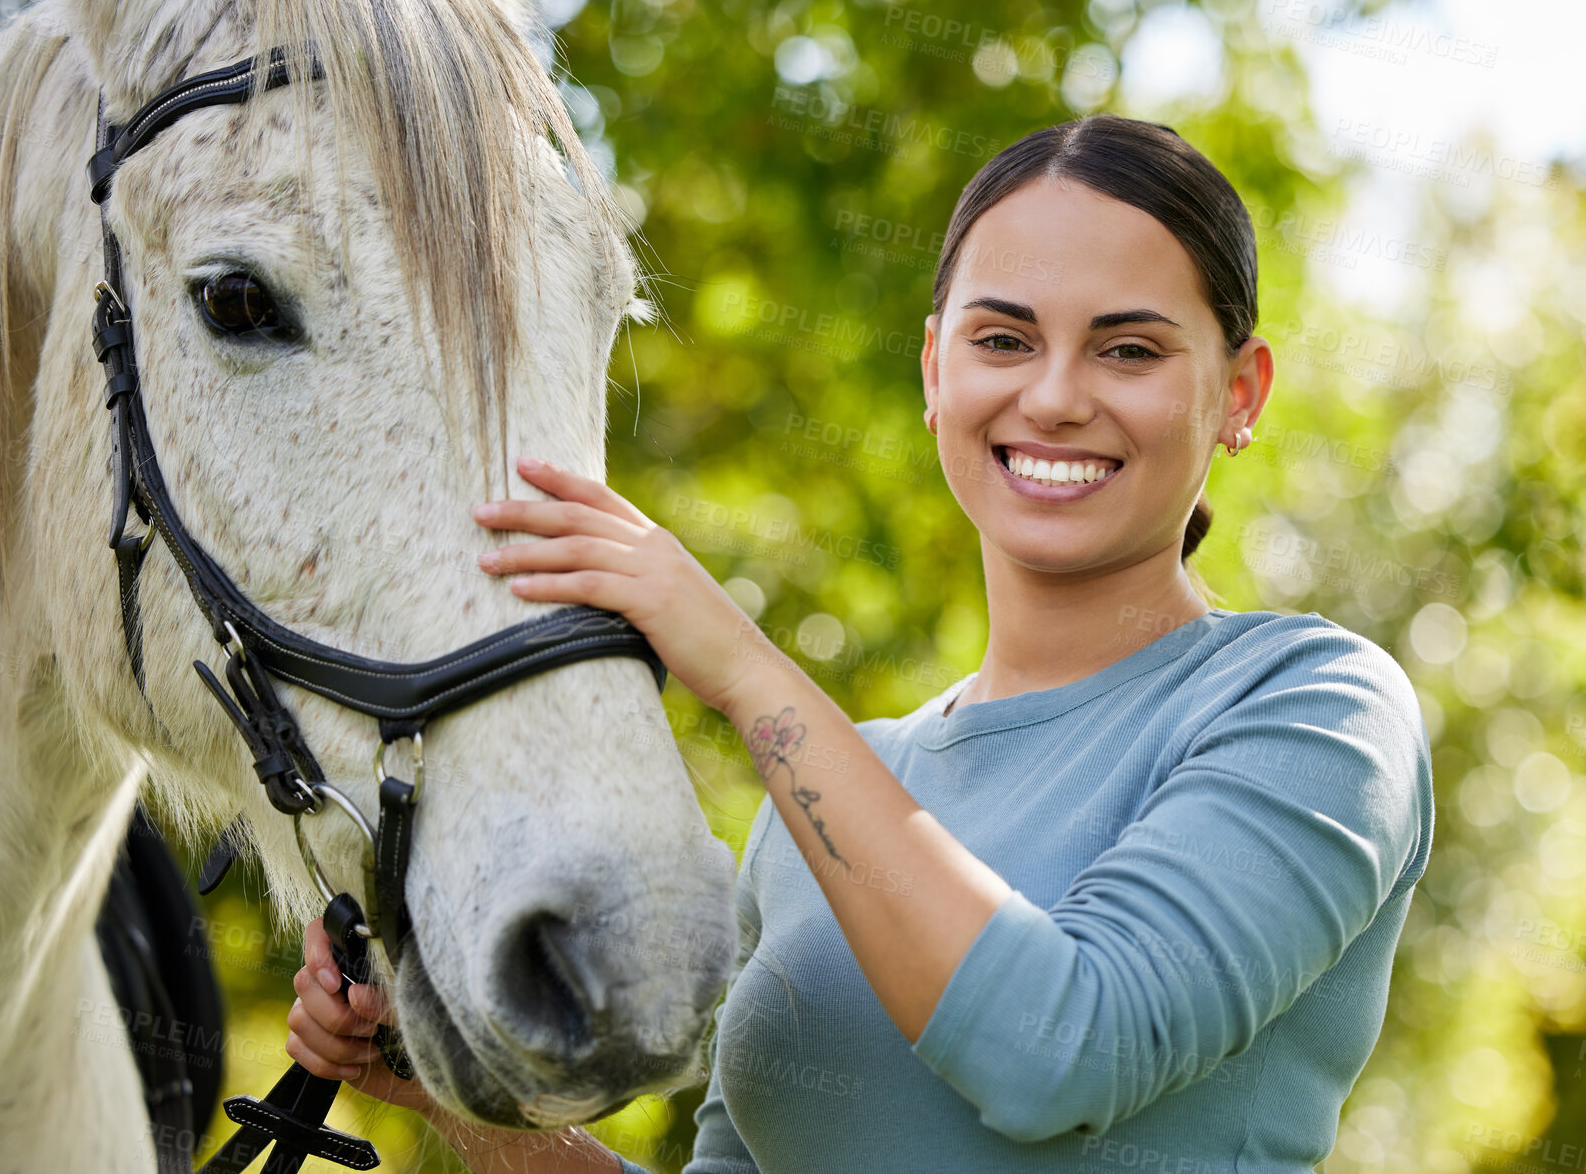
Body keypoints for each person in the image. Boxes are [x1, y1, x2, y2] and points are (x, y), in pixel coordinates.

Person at [284, 113, 1434, 1172]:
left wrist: (739, 667)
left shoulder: (1313, 707)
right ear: (936, 370)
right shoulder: (828, 801)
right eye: (1003, 338)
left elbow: (1059, 1052)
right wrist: (447, 1090)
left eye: (1127, 350)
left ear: (1238, 393)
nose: (1052, 396)